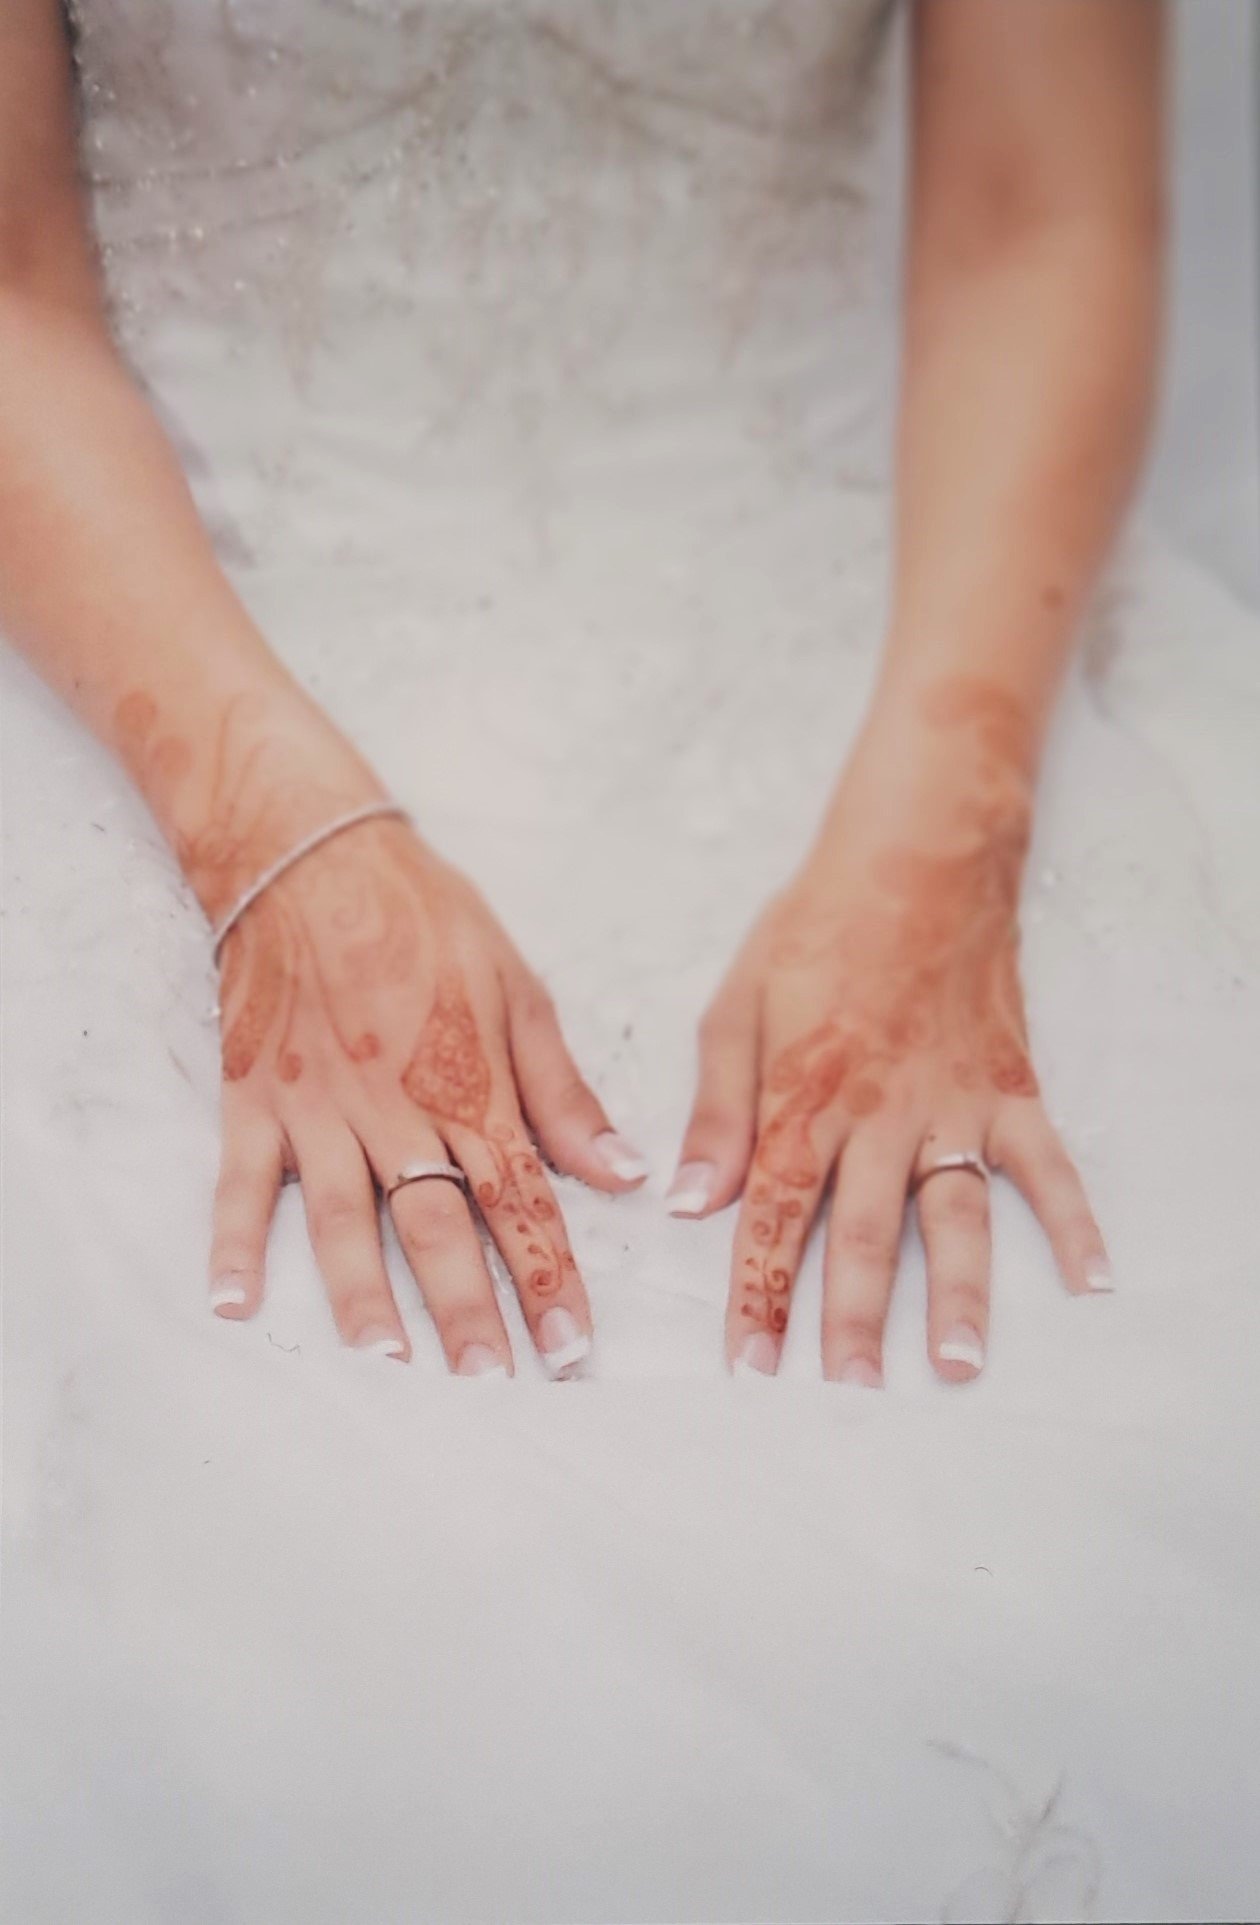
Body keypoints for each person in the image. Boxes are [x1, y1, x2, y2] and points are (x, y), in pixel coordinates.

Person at [0, 0, 1164, 1383]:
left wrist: (943, 825)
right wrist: (260, 825)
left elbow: (1044, 221)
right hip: (151, 609)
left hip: (903, 639)